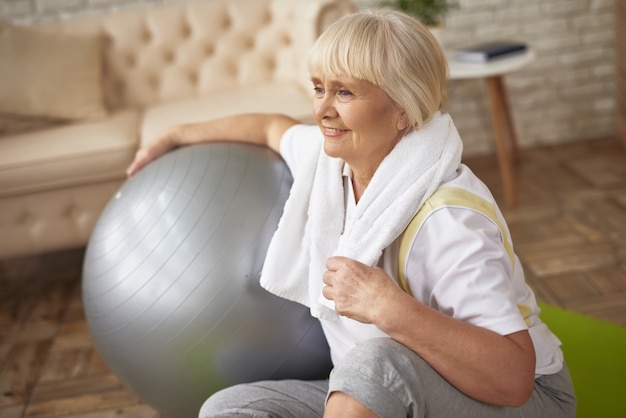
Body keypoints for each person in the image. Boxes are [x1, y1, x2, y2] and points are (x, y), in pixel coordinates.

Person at [127, 8, 576, 418]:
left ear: (403, 108)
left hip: (526, 400)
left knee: (376, 365)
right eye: (319, 87)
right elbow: (268, 127)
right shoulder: (328, 165)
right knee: (230, 409)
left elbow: (514, 377)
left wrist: (390, 308)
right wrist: (175, 134)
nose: (322, 110)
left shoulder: (449, 220)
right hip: (388, 389)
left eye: (344, 92)